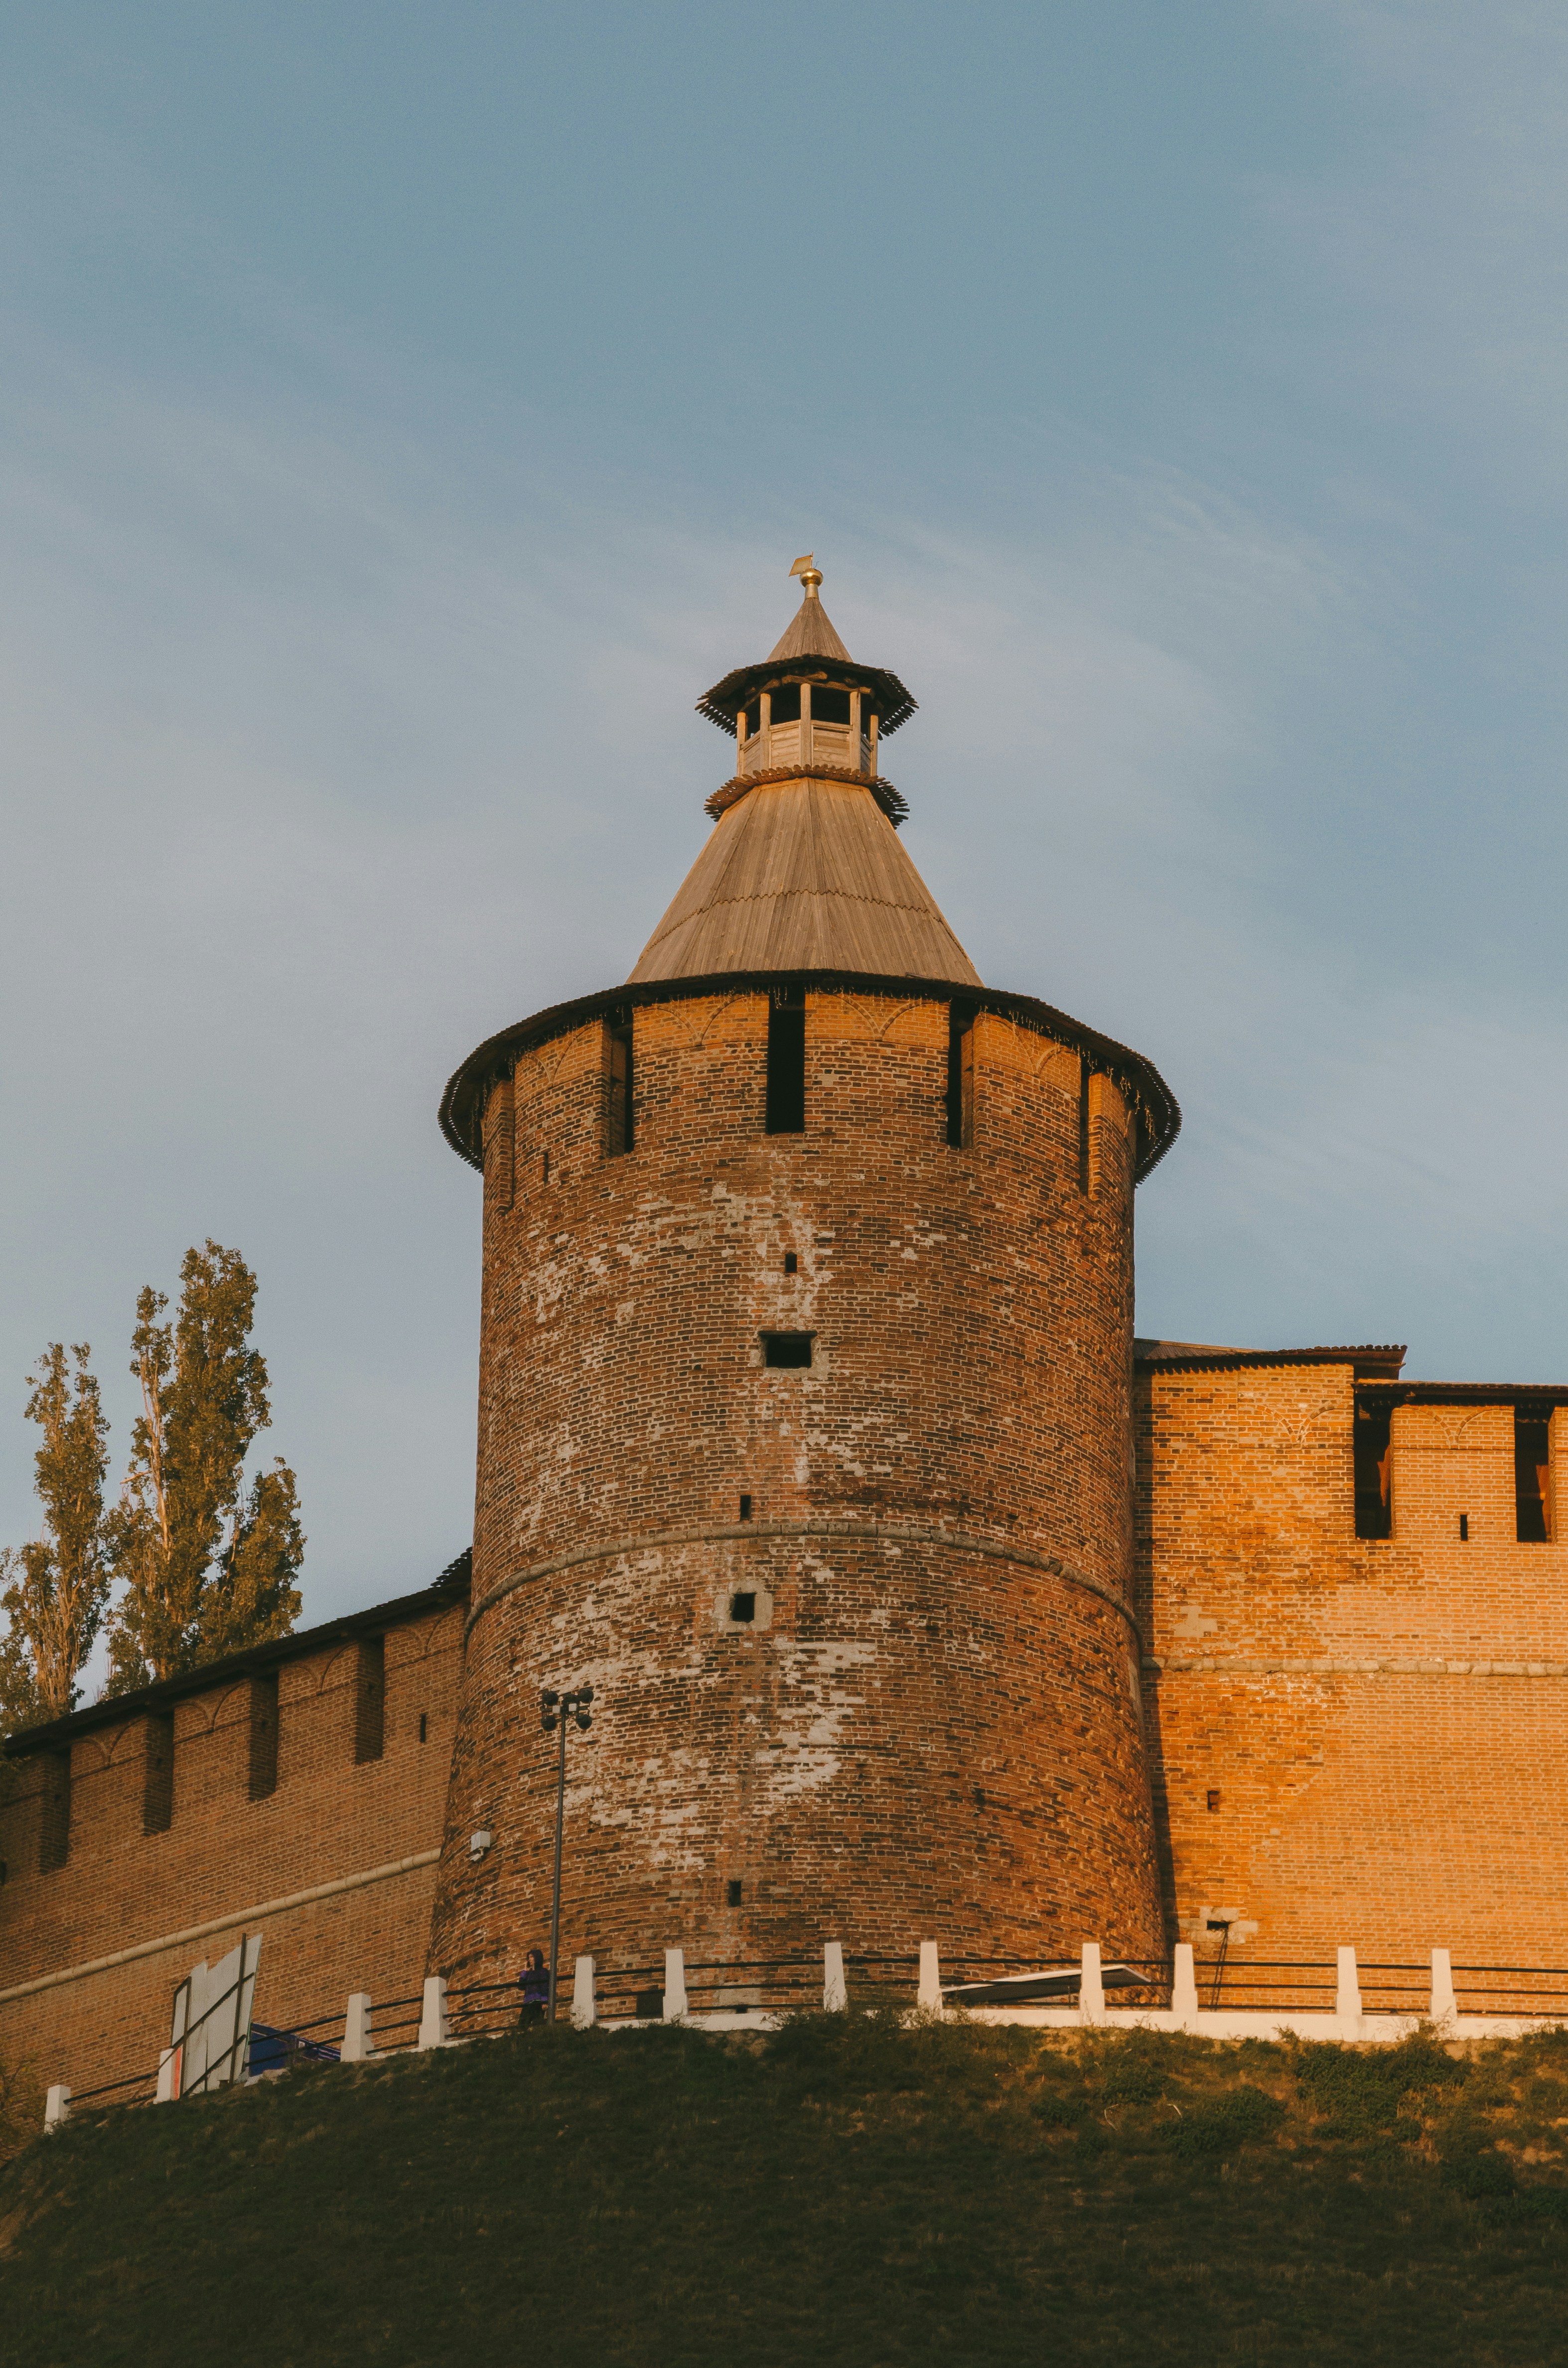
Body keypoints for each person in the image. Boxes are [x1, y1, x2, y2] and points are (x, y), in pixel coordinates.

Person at [518, 1948, 550, 2023]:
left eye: (532, 1957)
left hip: (537, 2001)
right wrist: (525, 1971)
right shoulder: (529, 1974)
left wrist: (544, 2002)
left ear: (537, 1958)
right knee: (522, 2025)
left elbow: (544, 1986)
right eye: (529, 1958)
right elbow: (521, 1987)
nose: (530, 1959)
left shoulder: (543, 1971)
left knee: (537, 2023)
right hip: (527, 2002)